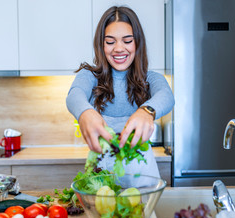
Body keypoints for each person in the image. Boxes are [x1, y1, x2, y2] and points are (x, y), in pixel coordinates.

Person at [66, 6, 174, 178]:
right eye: (110, 42)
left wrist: (147, 111)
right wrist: (85, 113)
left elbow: (166, 96)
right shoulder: (90, 76)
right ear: (101, 45)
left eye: (127, 40)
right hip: (102, 179)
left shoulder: (150, 79)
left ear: (138, 42)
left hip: (143, 179)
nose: (118, 48)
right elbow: (74, 95)